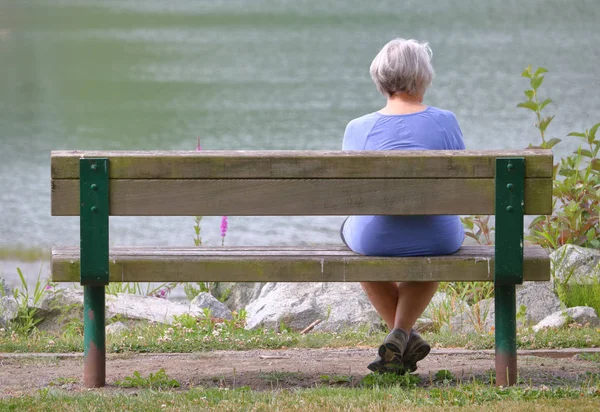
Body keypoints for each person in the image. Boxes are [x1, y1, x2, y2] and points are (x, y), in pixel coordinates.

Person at [340, 38, 466, 374]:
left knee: (353, 236)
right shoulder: (446, 122)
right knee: (431, 240)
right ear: (422, 77)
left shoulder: (358, 129)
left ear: (380, 79)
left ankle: (401, 336)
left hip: (375, 238)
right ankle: (402, 334)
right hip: (438, 237)